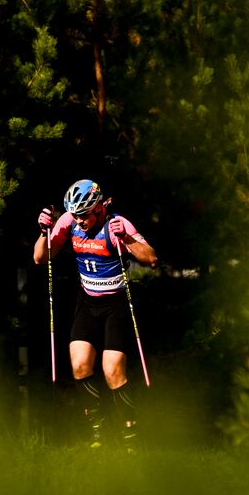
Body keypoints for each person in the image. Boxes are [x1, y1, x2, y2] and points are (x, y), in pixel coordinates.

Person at [34, 179, 158, 449]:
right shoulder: (68, 221)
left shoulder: (117, 224)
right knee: (79, 365)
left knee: (112, 370)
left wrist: (125, 239)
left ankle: (130, 439)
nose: (79, 221)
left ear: (98, 208)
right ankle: (98, 433)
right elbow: (40, 258)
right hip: (87, 302)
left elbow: (150, 258)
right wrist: (45, 232)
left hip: (116, 304)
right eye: (75, 215)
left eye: (84, 215)